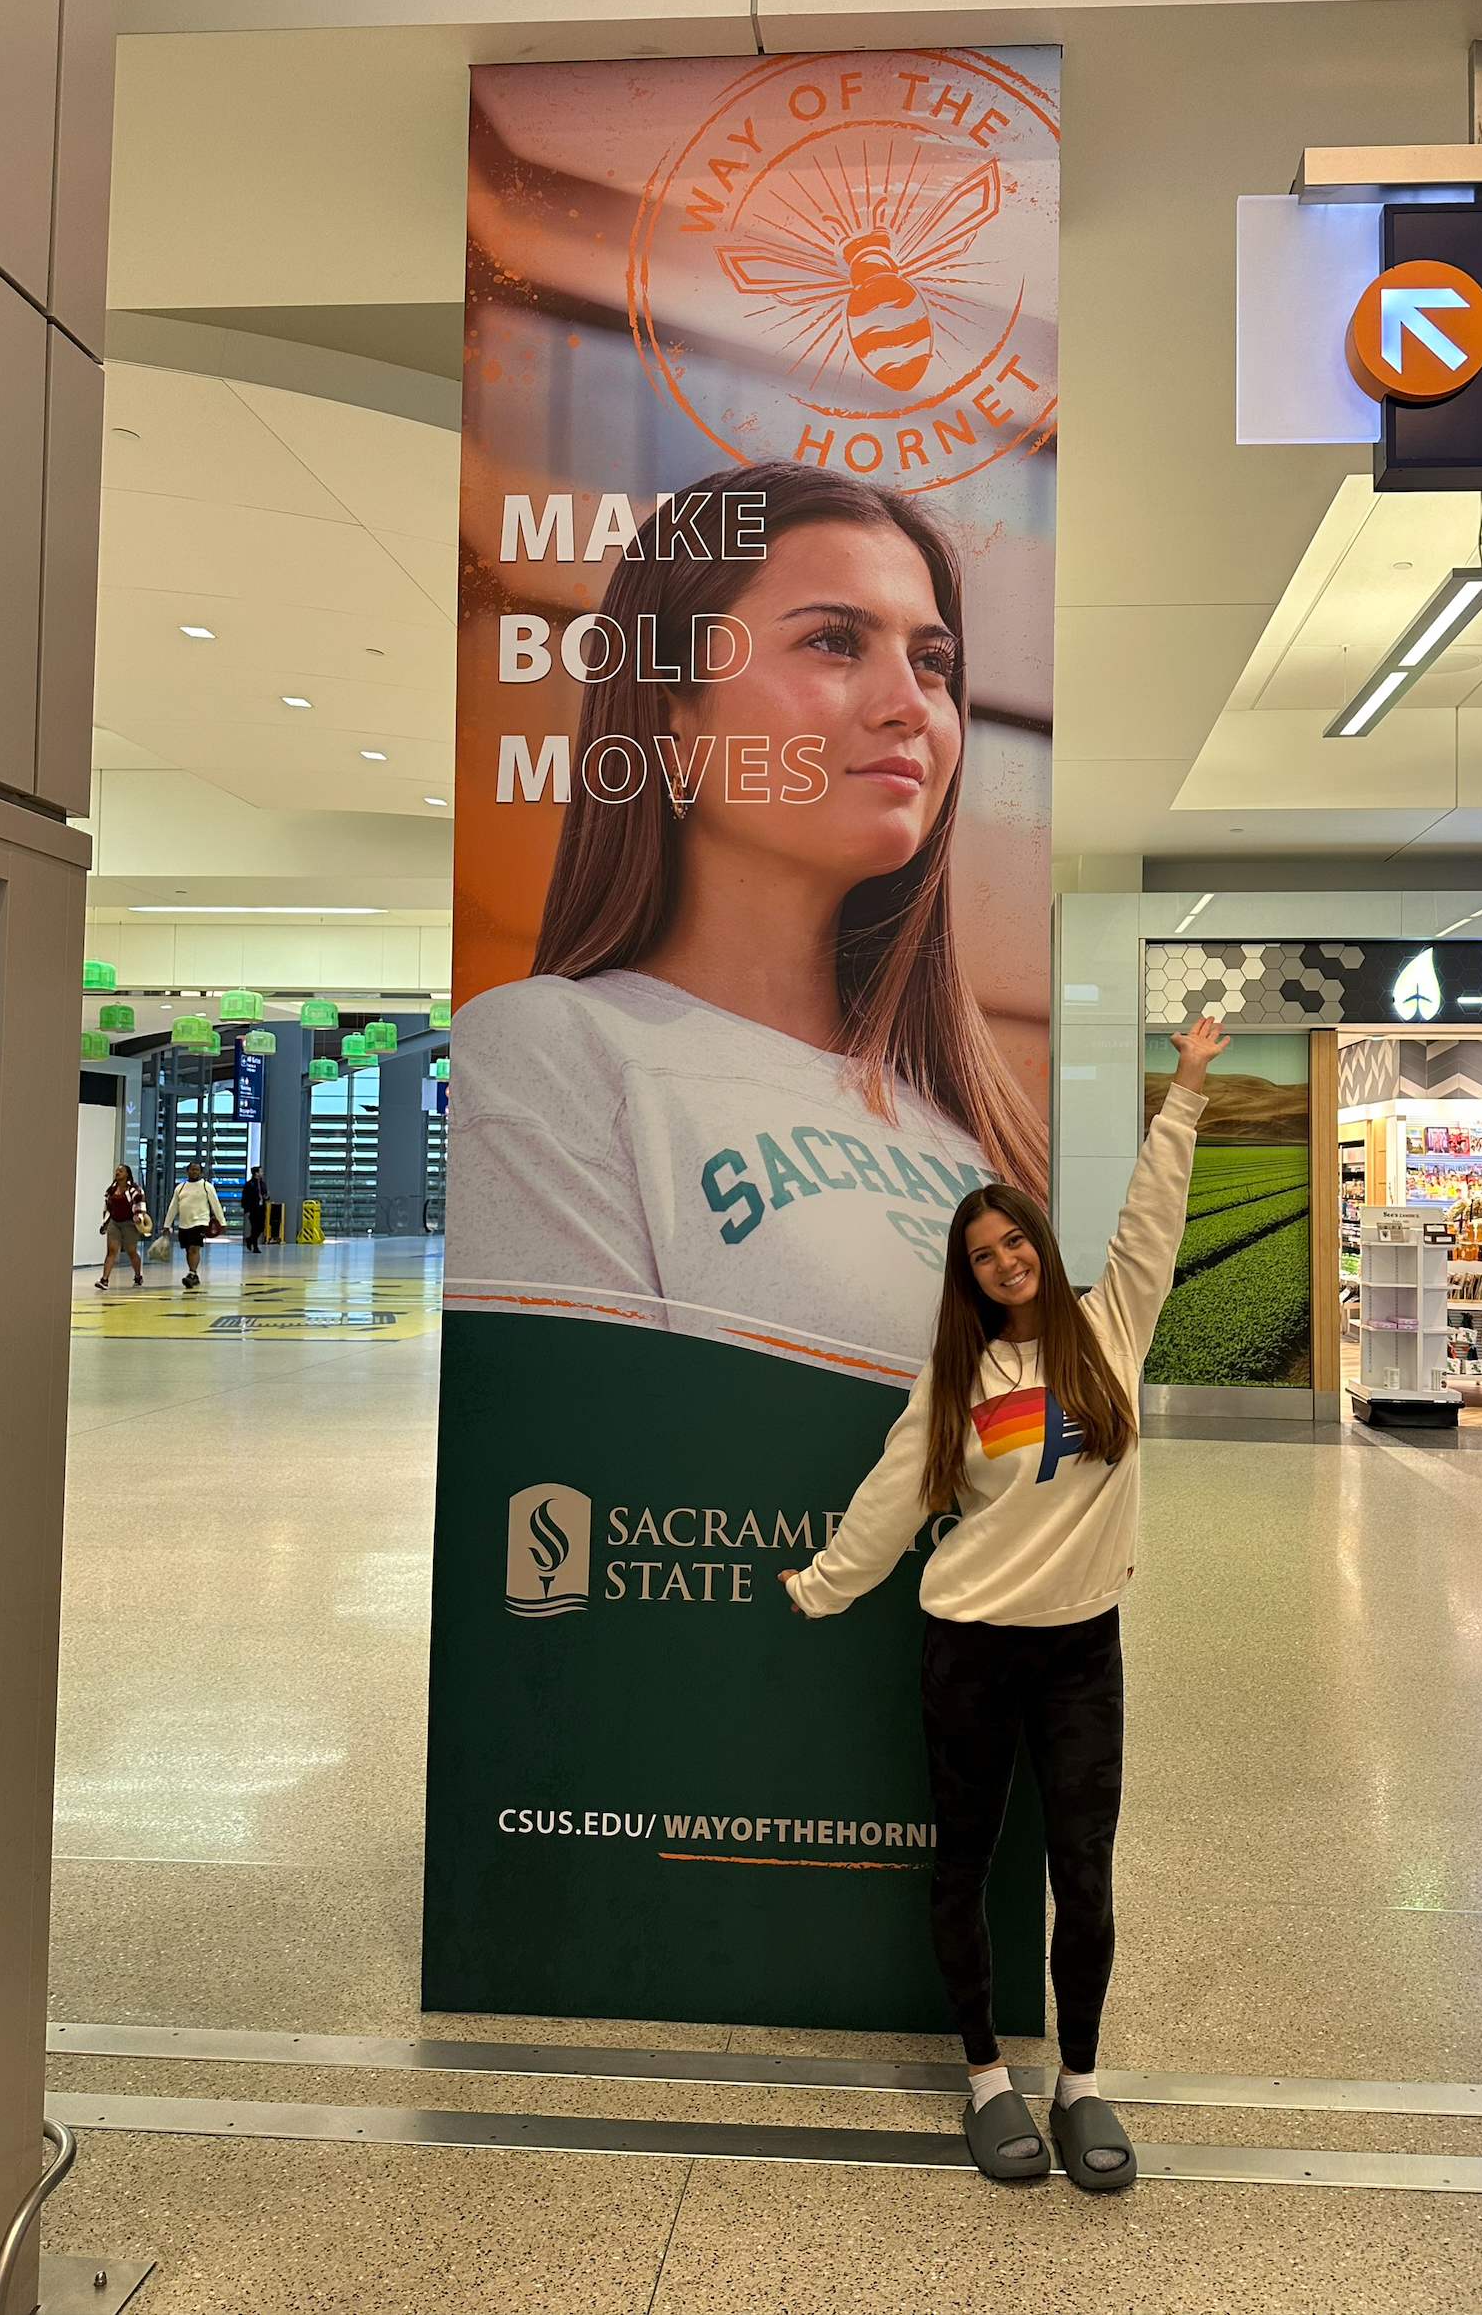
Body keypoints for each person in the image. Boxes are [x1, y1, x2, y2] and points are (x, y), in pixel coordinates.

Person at [448, 461, 1046, 1379]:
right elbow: (581, 1469)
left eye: (932, 662)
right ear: (671, 712)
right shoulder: (552, 1053)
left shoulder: (977, 1118)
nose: (911, 707)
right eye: (835, 642)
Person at [779, 1012, 1228, 2190]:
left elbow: (1154, 1219)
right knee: (964, 1864)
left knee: (1084, 1873)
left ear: (1038, 1238)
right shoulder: (957, 1374)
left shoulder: (1108, 1327)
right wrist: (825, 1584)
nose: (1004, 1262)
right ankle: (984, 2076)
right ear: (966, 1272)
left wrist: (1182, 1089)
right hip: (969, 1648)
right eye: (981, 1255)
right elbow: (890, 1494)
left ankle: (1079, 2080)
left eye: (1013, 1241)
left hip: (1084, 1648)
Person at [163, 1159, 223, 1289]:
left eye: (197, 1169)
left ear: (201, 1172)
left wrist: (221, 1222)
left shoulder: (206, 1186)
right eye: (192, 1169)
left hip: (200, 1222)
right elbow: (173, 1207)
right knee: (188, 1249)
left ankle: (191, 1273)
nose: (194, 1171)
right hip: (184, 1224)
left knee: (194, 1248)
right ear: (187, 1171)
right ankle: (193, 1274)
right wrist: (167, 1224)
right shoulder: (180, 1187)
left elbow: (216, 1205)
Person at [95, 1165, 149, 1289]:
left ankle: (138, 1276)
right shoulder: (111, 1190)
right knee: (111, 1250)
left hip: (129, 1223)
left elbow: (140, 1204)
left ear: (127, 1174)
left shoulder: (135, 1190)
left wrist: (138, 1216)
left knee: (131, 1251)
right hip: (115, 1222)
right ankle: (105, 1280)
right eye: (117, 1171)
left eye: (121, 1171)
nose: (118, 1172)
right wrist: (105, 1223)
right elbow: (108, 1207)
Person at [241, 1165, 269, 1254]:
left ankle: (250, 1240)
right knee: (255, 1227)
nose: (262, 1173)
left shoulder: (262, 1184)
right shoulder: (249, 1185)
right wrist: (247, 1210)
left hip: (261, 1208)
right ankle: (255, 1246)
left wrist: (266, 1197)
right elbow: (246, 1198)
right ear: (256, 1173)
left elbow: (264, 1194)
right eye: (261, 1171)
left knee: (261, 1227)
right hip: (253, 1209)